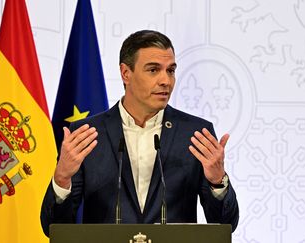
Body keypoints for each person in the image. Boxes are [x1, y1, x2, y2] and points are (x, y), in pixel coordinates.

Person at [40, 30, 239, 236]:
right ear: (126, 73)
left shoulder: (195, 134)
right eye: (153, 70)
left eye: (170, 70)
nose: (166, 81)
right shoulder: (87, 134)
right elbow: (53, 228)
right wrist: (62, 178)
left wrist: (218, 181)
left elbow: (226, 225)